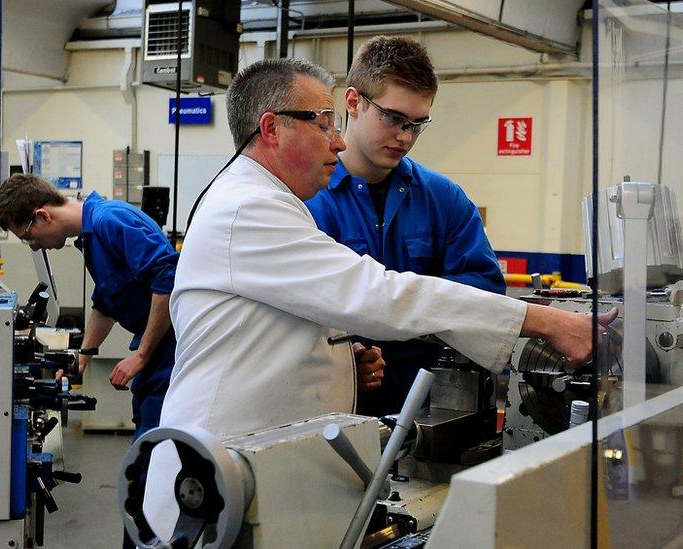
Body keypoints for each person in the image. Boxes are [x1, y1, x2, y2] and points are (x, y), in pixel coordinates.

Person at [142, 57, 614, 539]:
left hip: (264, 467)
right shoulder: (249, 209)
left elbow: (288, 320)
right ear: (272, 129)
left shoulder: (277, 202)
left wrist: (342, 358)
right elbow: (381, 295)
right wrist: (548, 323)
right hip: (216, 476)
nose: (338, 139)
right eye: (323, 123)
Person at [305, 36, 506, 415]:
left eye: (417, 124)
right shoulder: (310, 200)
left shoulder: (444, 199)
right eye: (394, 118)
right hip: (336, 409)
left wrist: (400, 314)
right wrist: (351, 353)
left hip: (432, 410)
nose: (405, 136)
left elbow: (485, 291)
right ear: (353, 103)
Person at [0, 174, 178, 442]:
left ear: (43, 216)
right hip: (157, 350)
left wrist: (142, 356)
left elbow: (167, 278)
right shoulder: (91, 239)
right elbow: (106, 304)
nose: (32, 245)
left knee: (155, 441)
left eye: (27, 237)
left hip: (171, 348)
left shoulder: (110, 220)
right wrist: (81, 358)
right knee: (148, 435)